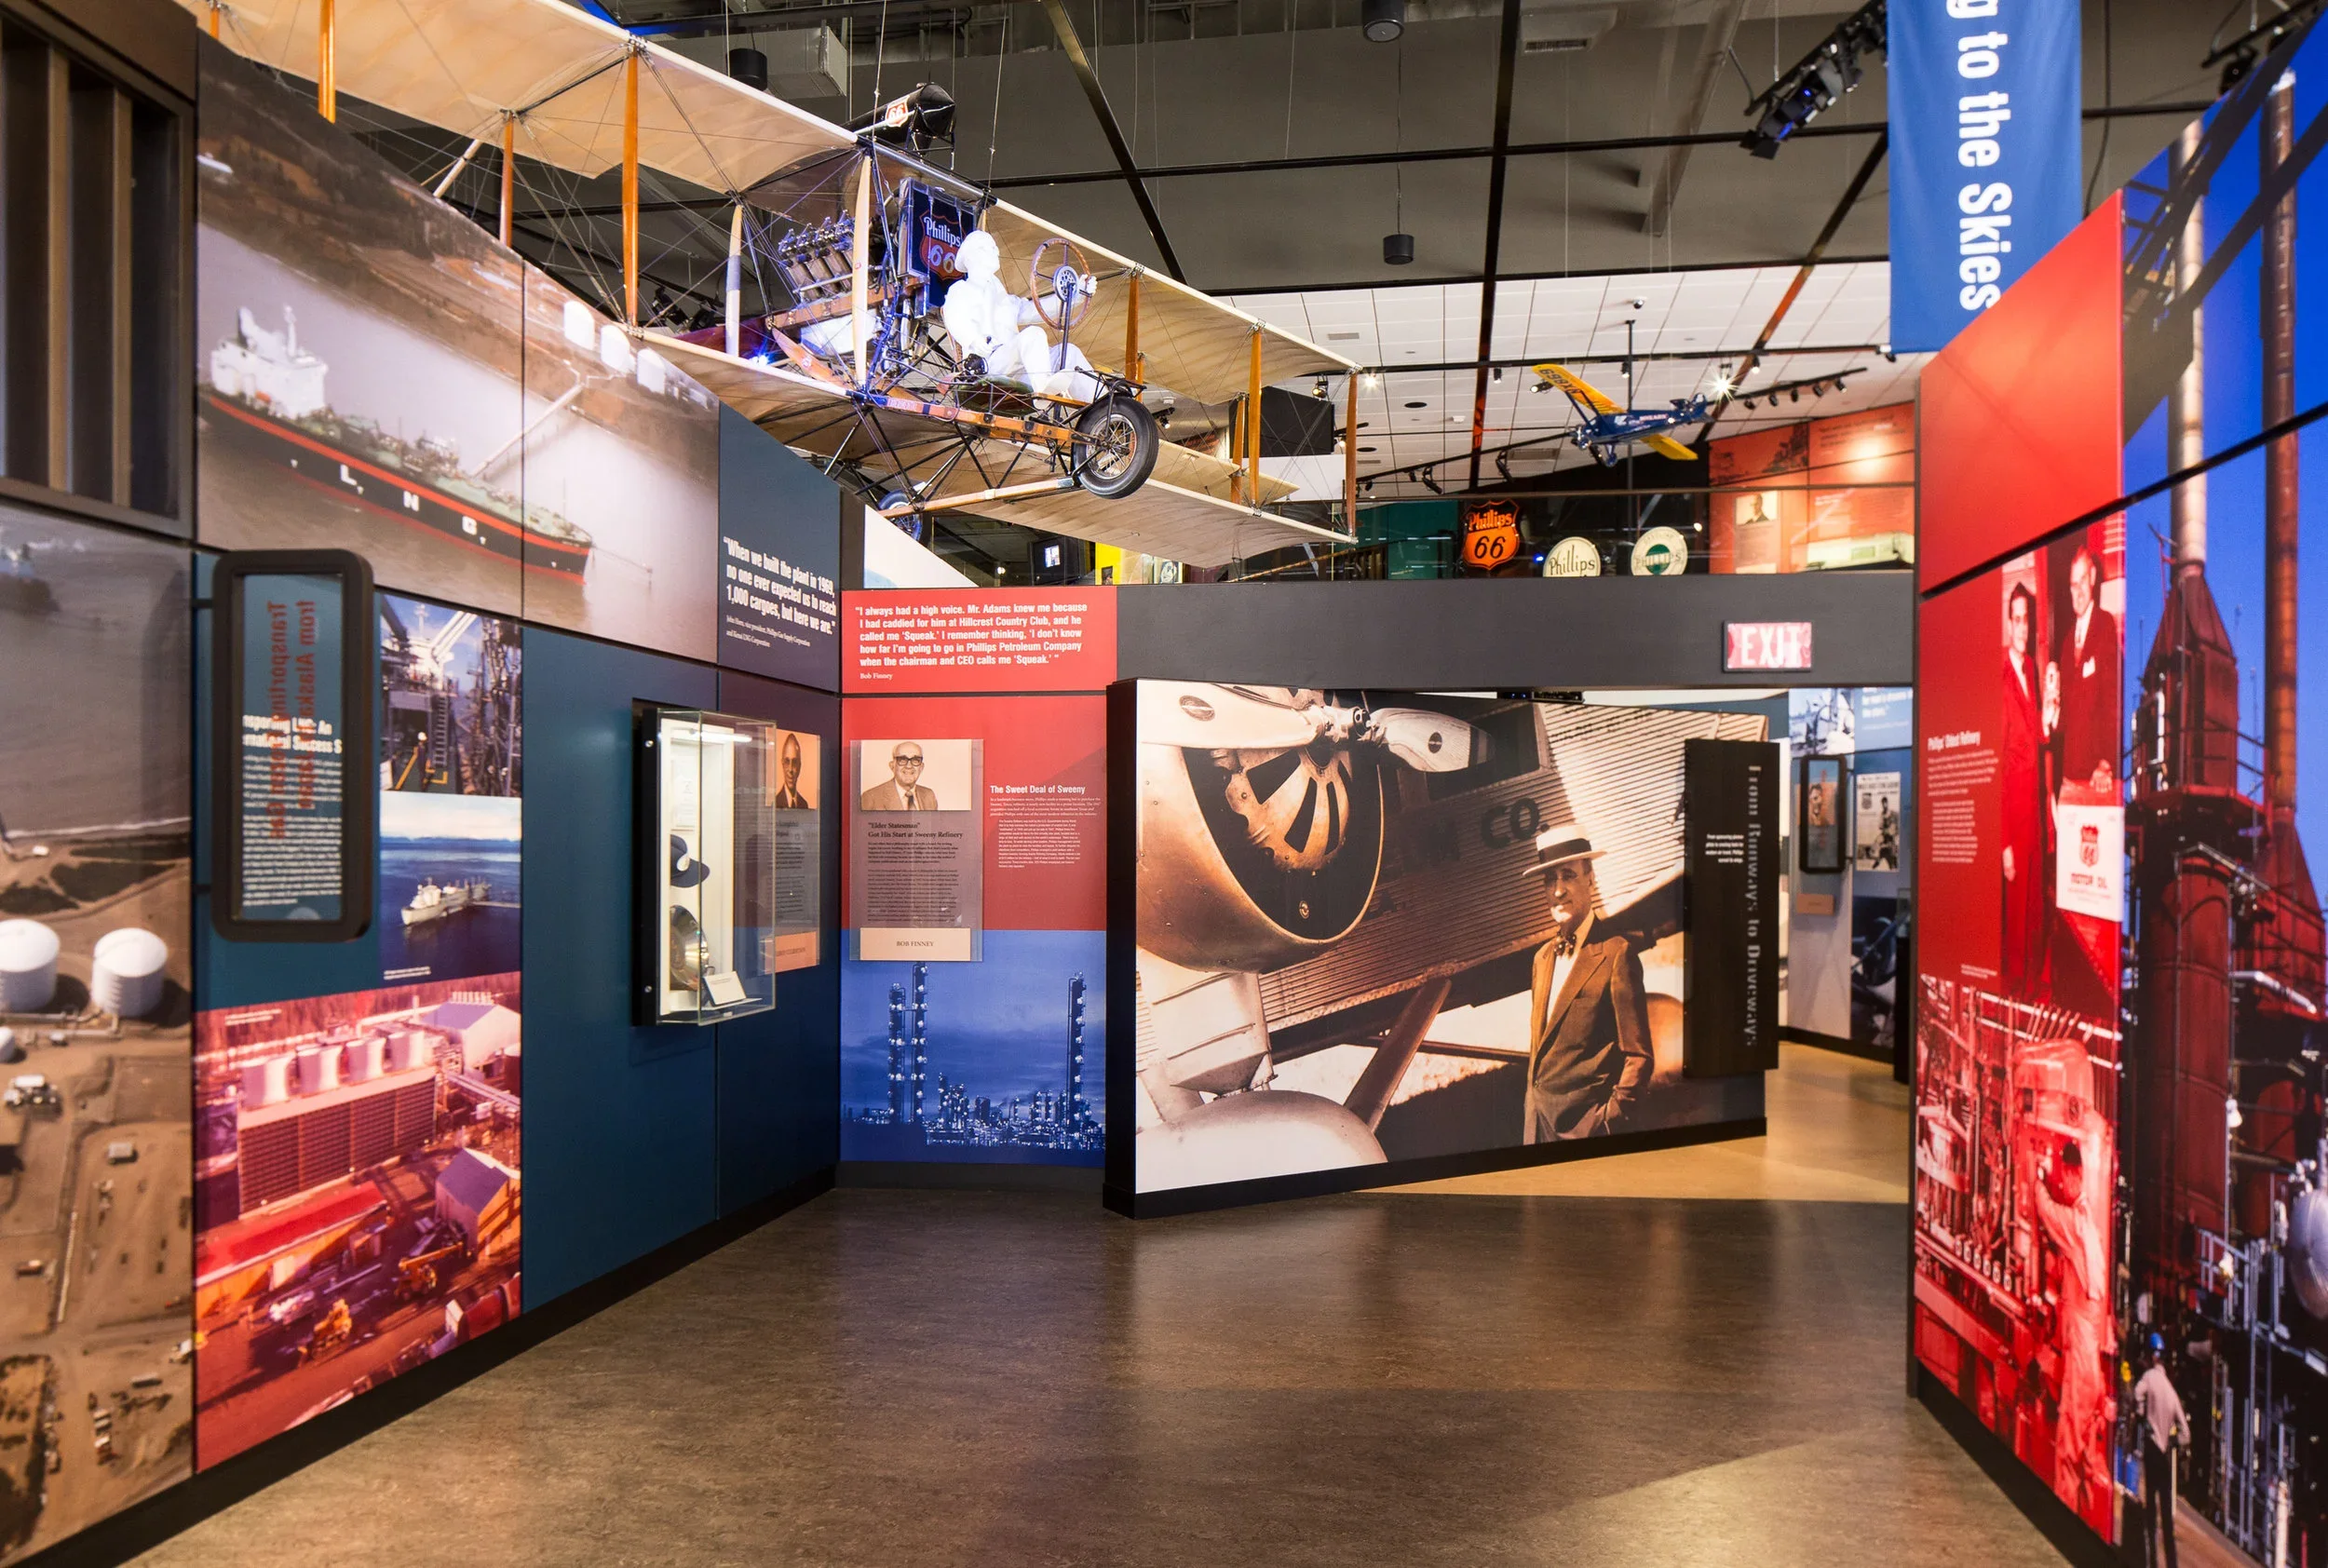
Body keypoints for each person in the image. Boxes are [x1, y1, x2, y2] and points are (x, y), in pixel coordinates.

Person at [1521, 823, 1653, 1141]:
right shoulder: (1542, 959)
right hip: (1536, 1129)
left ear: (1590, 878)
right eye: (1550, 879)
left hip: (1586, 1132)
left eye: (1568, 875)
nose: (1558, 891)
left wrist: (1606, 1123)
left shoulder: (1616, 953)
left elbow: (1639, 1057)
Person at [939, 230, 1099, 401]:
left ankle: (1107, 404)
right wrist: (973, 339)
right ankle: (1042, 390)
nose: (997, 251)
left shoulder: (1005, 300)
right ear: (972, 256)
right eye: (990, 248)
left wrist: (1075, 295)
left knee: (1069, 353)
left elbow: (1036, 310)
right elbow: (954, 317)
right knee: (1033, 334)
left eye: (995, 247)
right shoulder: (961, 290)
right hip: (989, 366)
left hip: (1021, 370)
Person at [2001, 582, 2045, 989]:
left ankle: (2031, 989)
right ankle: (2015, 992)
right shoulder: (2001, 677)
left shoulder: (2032, 669)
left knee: (2033, 909)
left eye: (2026, 619)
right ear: (2008, 623)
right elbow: (1998, 763)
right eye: (2016, 619)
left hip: (2033, 811)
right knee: (2014, 916)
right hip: (2012, 815)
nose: (2022, 627)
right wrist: (2004, 844)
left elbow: (2036, 737)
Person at [2052, 544, 2120, 795]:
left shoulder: (2105, 626)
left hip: (2097, 776)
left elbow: (2112, 701)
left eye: (2082, 581)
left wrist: (2105, 762)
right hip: (2071, 774)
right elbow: (2065, 720)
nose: (2078, 592)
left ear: (2092, 578)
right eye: (2073, 585)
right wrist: (2052, 713)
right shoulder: (2066, 642)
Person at [2132, 1333, 2190, 1568]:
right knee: (2167, 1516)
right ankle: (2172, 1564)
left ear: (2150, 1355)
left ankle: (2151, 1562)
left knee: (2150, 1510)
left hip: (2152, 1448)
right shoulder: (2171, 1392)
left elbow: (2137, 1393)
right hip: (2165, 1455)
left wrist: (2141, 1413)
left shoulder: (2149, 1377)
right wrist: (2173, 1442)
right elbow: (2186, 1434)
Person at [859, 742, 941, 812]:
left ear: (921, 767)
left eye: (915, 760)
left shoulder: (929, 795)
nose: (909, 766)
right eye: (902, 760)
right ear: (892, 766)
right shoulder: (871, 798)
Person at [772, 733, 811, 810]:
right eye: (787, 761)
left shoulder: (804, 804)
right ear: (782, 764)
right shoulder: (775, 803)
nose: (790, 769)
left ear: (799, 766)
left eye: (794, 762)